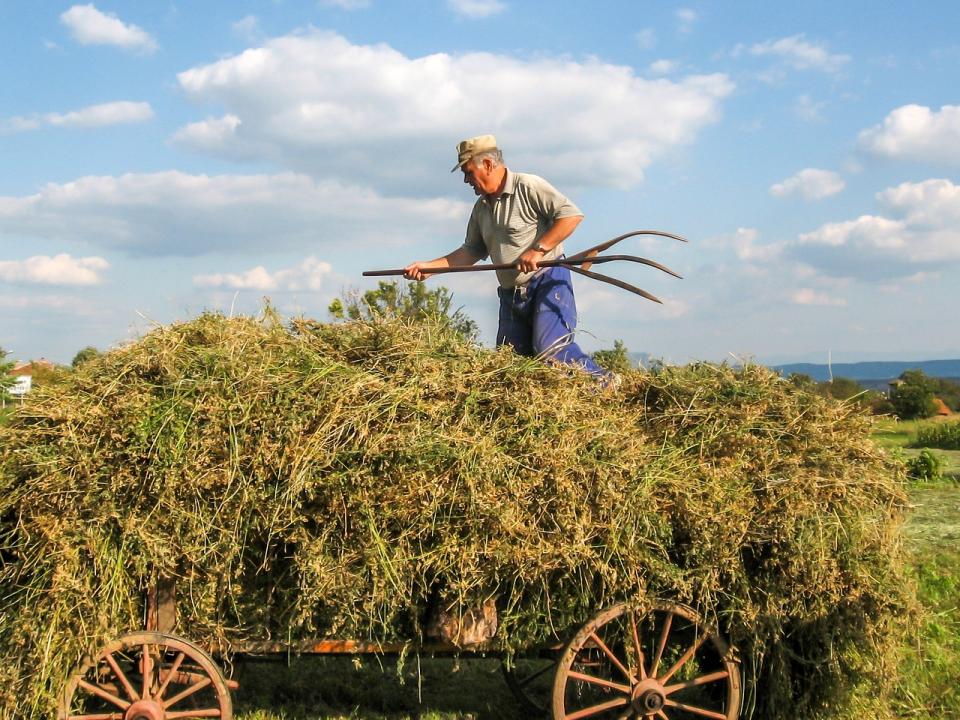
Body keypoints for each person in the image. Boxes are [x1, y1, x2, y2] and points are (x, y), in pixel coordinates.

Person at [404, 134, 605, 376]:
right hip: (511, 295)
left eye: (468, 172)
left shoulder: (528, 186)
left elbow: (571, 216)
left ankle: (605, 382)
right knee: (509, 365)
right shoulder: (481, 209)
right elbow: (471, 251)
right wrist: (429, 268)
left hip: (547, 281)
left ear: (487, 165)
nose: (467, 180)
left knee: (550, 350)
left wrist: (538, 250)